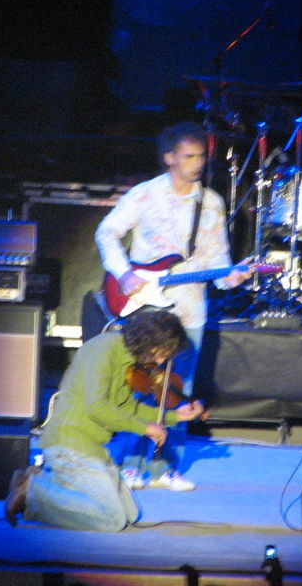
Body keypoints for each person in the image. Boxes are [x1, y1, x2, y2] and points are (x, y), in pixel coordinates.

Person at [95, 121, 251, 491]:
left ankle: (165, 467)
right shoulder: (145, 194)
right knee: (141, 384)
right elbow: (107, 232)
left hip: (190, 310)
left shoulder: (211, 202)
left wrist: (233, 276)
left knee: (178, 389)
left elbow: (218, 259)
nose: (197, 163)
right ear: (169, 158)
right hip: (148, 309)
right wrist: (123, 273)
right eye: (189, 156)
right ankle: (129, 463)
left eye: (201, 156)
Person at [3, 310, 206, 531]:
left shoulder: (132, 361)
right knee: (112, 519)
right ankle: (31, 494)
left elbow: (127, 407)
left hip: (95, 448)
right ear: (149, 340)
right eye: (162, 354)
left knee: (131, 514)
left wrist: (175, 416)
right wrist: (145, 428)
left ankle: (46, 480)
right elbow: (97, 407)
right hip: (68, 443)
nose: (161, 361)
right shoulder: (103, 349)